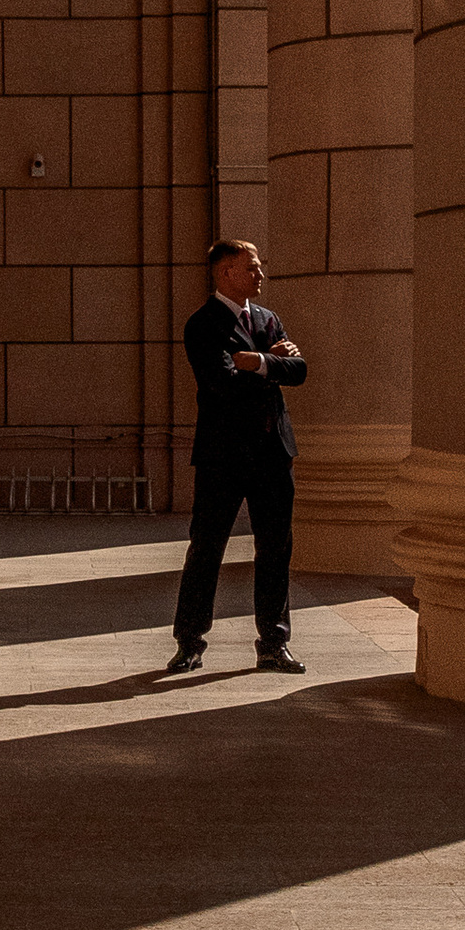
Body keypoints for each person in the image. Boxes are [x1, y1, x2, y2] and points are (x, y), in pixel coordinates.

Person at [164, 237, 308, 677]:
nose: (260, 274)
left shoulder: (268, 319)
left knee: (275, 549)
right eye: (252, 268)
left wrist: (256, 362)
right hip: (222, 457)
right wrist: (271, 364)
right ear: (227, 272)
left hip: (272, 453)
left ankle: (274, 643)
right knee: (207, 549)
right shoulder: (203, 325)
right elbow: (220, 384)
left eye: (259, 267)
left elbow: (299, 371)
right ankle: (189, 643)